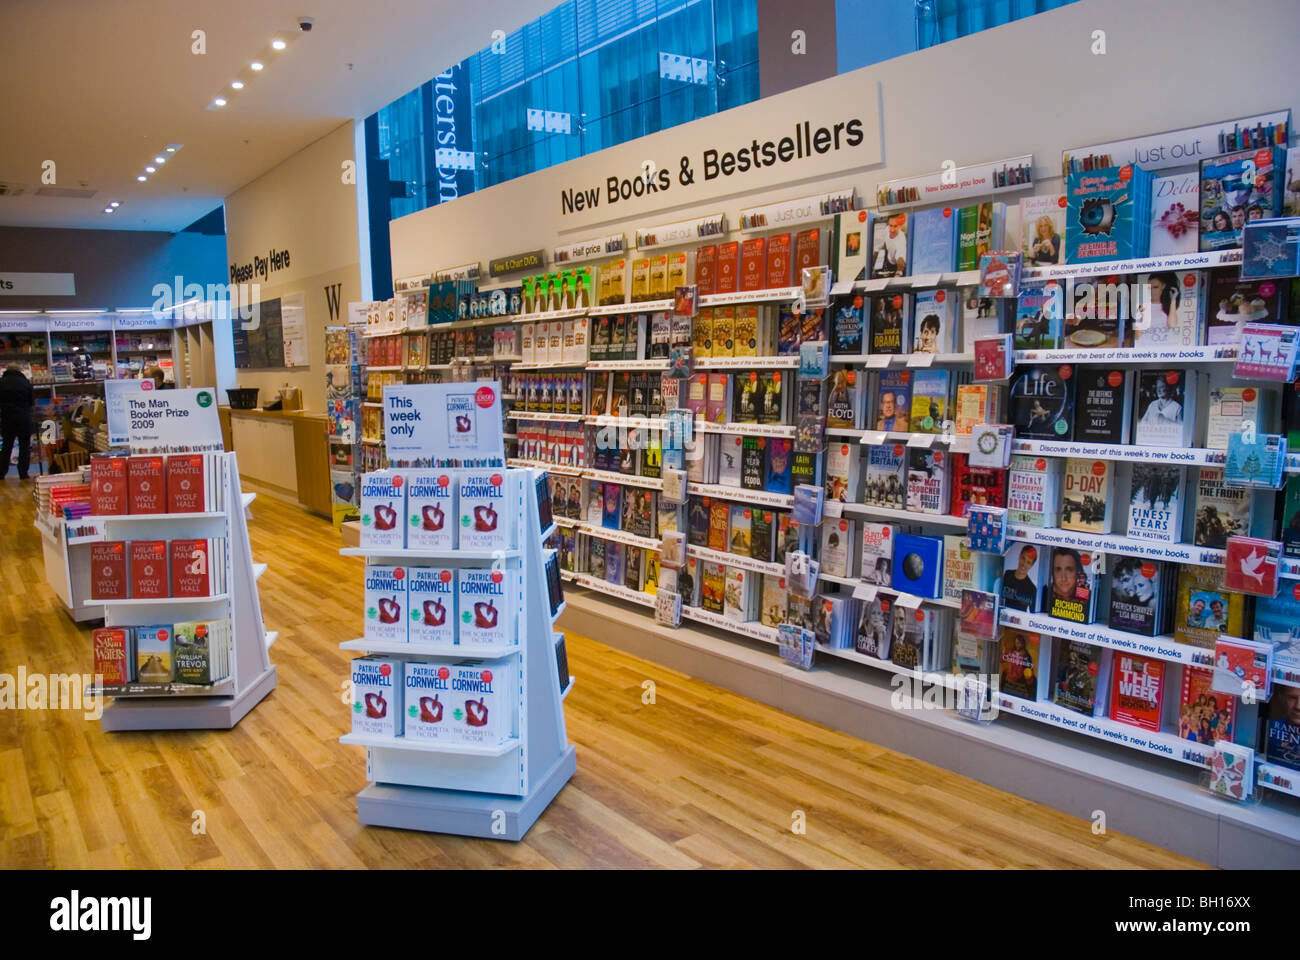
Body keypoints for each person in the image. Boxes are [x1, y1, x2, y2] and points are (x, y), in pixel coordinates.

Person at [0, 364, 35, 480]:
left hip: (8, 419)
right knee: (24, 446)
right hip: (24, 418)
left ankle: (2, 472)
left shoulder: (2, 382)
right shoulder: (25, 382)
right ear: (19, 371)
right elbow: (31, 402)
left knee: (6, 446)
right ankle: (23, 473)